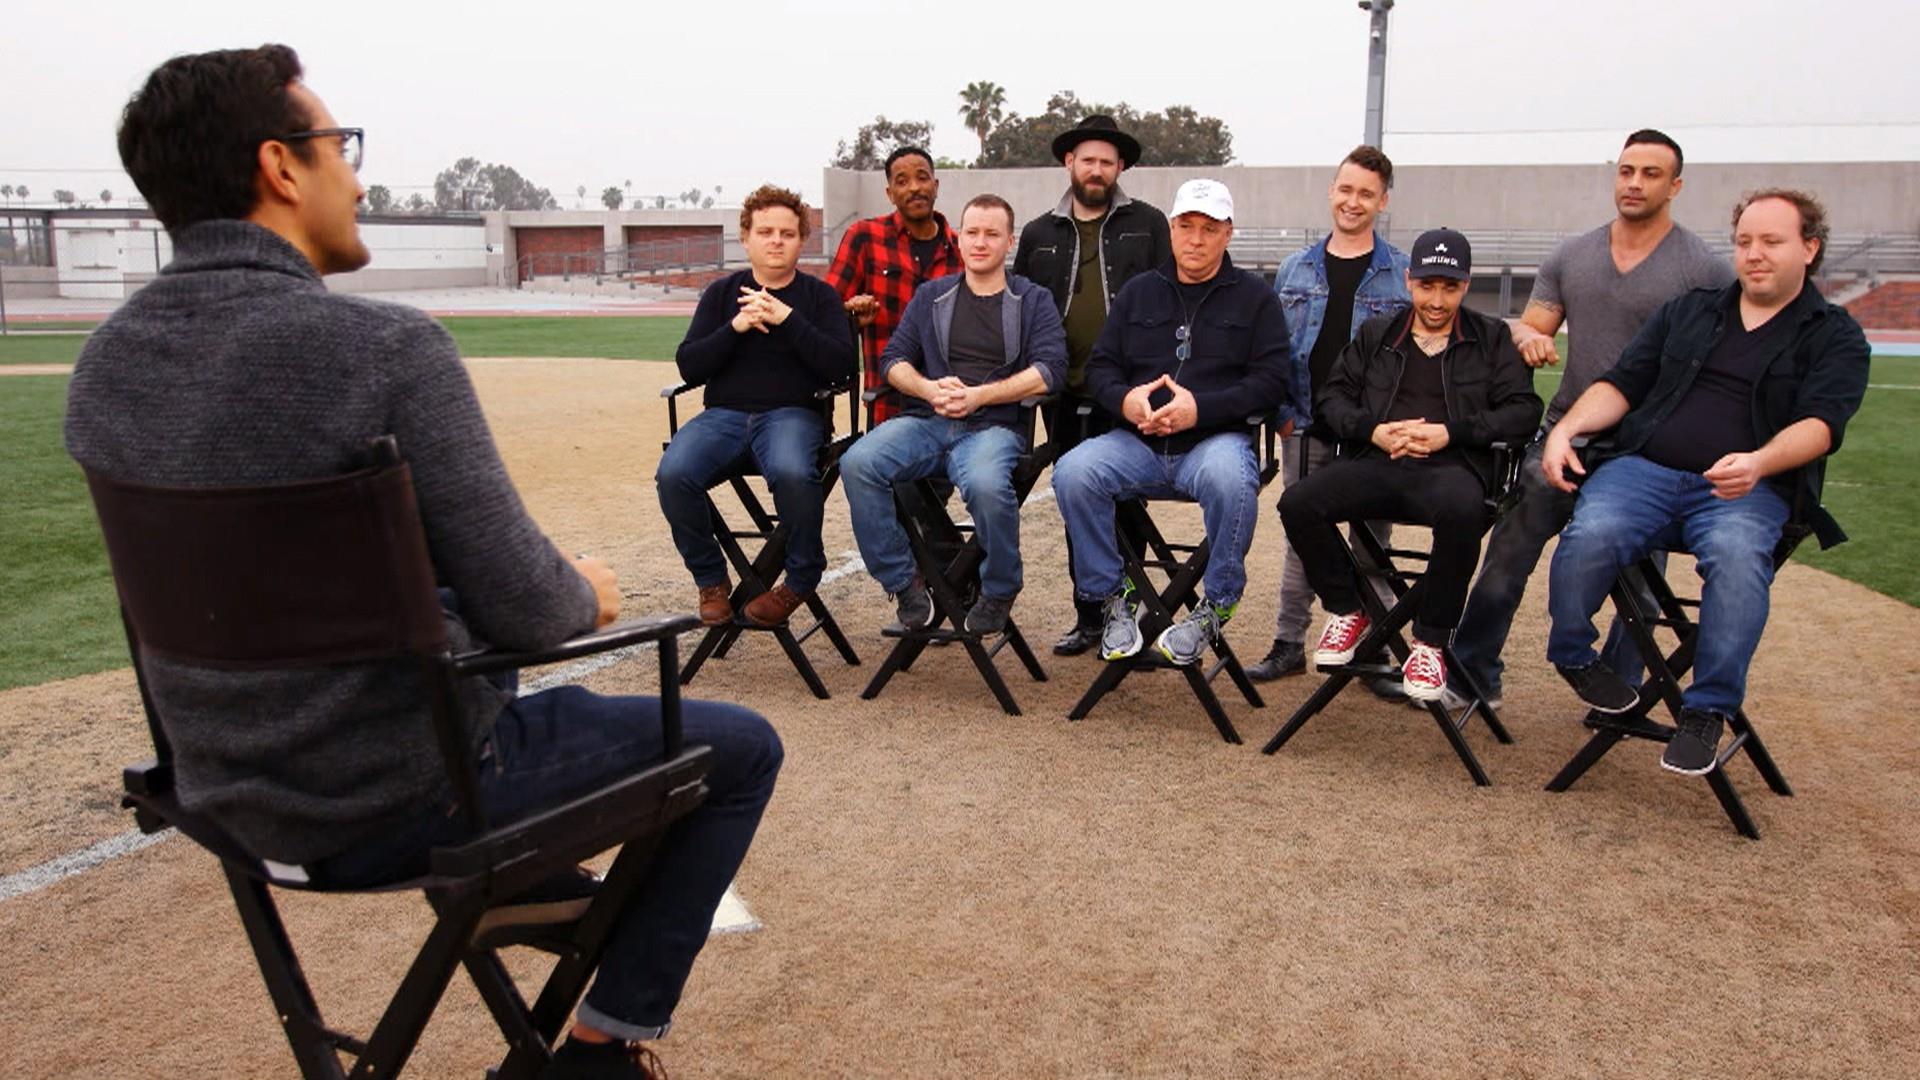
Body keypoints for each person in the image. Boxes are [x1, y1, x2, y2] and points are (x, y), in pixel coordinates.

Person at [64, 46, 780, 1080]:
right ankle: (600, 1052)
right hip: (397, 801)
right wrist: (586, 588)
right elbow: (535, 611)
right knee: (743, 750)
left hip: (222, 792)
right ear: (280, 167)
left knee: (445, 615)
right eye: (337, 147)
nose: (353, 176)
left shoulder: (108, 363)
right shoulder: (383, 350)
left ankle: (529, 891)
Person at [1542, 189, 1868, 775]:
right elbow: (1623, 382)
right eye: (1745, 241)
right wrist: (1565, 429)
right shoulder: (1690, 310)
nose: (1754, 254)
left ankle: (1706, 710)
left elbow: (1821, 425)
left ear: (1809, 249)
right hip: (1646, 470)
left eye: (1772, 241)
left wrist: (1760, 462)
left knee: (1741, 561)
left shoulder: (1834, 335)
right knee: (1592, 531)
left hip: (1747, 490)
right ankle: (1573, 654)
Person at [1446, 129, 1734, 712]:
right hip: (1567, 432)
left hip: (1649, 448)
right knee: (1508, 551)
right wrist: (1526, 337)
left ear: (1675, 185)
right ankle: (1473, 672)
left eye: (1651, 173)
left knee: (1640, 581)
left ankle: (1620, 692)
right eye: (1627, 170)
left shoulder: (1703, 269)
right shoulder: (1572, 254)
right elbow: (1534, 325)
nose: (1634, 182)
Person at [1278, 229, 1542, 700]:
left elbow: (1524, 412)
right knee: (1298, 502)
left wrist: (1450, 432)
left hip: (1453, 469)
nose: (1437, 299)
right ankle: (1348, 607)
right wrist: (1373, 430)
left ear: (1465, 284)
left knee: (1464, 512)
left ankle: (1430, 642)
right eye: (1427, 285)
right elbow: (1330, 400)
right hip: (1378, 459)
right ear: (1408, 280)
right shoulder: (1377, 334)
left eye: (1449, 287)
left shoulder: (1491, 338)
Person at [1052, 178, 1298, 666]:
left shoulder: (1256, 298)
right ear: (1171, 229)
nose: (1196, 239)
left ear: (1229, 233)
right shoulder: (1139, 293)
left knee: (1232, 481)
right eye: (1187, 226)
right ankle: (1110, 600)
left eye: (1210, 228)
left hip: (1213, 442)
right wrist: (1126, 402)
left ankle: (1216, 605)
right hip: (1136, 441)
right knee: (1074, 471)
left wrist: (1200, 409)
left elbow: (1272, 381)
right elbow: (1101, 369)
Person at [838, 194, 1067, 636]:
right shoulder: (932, 296)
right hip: (929, 419)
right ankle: (904, 583)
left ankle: (998, 589)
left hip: (993, 427)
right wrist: (927, 388)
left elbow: (1050, 371)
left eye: (992, 234)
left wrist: (981, 396)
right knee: (858, 463)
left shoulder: (1032, 299)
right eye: (973, 233)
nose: (980, 243)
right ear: (960, 238)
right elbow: (893, 359)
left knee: (984, 485)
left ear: (1009, 241)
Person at [1247, 144, 1412, 687]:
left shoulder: (1400, 273)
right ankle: (1289, 642)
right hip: (1308, 425)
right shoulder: (1296, 268)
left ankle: (1376, 650)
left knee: (1371, 543)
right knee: (1302, 538)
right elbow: (1276, 349)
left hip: (1371, 433)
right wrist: (1284, 413)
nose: (1353, 201)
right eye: (1346, 189)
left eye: (1366, 193)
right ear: (1331, 191)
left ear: (1382, 201)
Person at [657, 183, 855, 629]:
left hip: (792, 416)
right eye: (765, 231)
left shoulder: (819, 298)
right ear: (746, 237)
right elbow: (690, 366)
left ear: (801, 240)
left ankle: (801, 577)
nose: (776, 241)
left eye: (787, 233)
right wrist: (737, 326)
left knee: (791, 472)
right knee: (673, 473)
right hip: (723, 417)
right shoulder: (722, 294)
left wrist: (787, 320)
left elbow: (840, 368)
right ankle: (711, 580)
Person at [1011, 114, 1171, 656]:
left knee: (1126, 501)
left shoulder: (1149, 225)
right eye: (1088, 160)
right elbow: (1022, 309)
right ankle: (1090, 613)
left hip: (1128, 391)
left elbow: (1170, 300)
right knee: (1077, 499)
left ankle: (1136, 615)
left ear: (1120, 166)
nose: (1097, 170)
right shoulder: (1038, 233)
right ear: (1069, 164)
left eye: (1107, 161)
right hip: (1063, 392)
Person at [826, 145, 962, 425]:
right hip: (888, 403)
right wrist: (853, 314)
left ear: (935, 186)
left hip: (954, 403)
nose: (914, 187)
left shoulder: (962, 249)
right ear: (889, 193)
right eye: (902, 181)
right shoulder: (865, 237)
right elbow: (827, 309)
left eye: (922, 178)